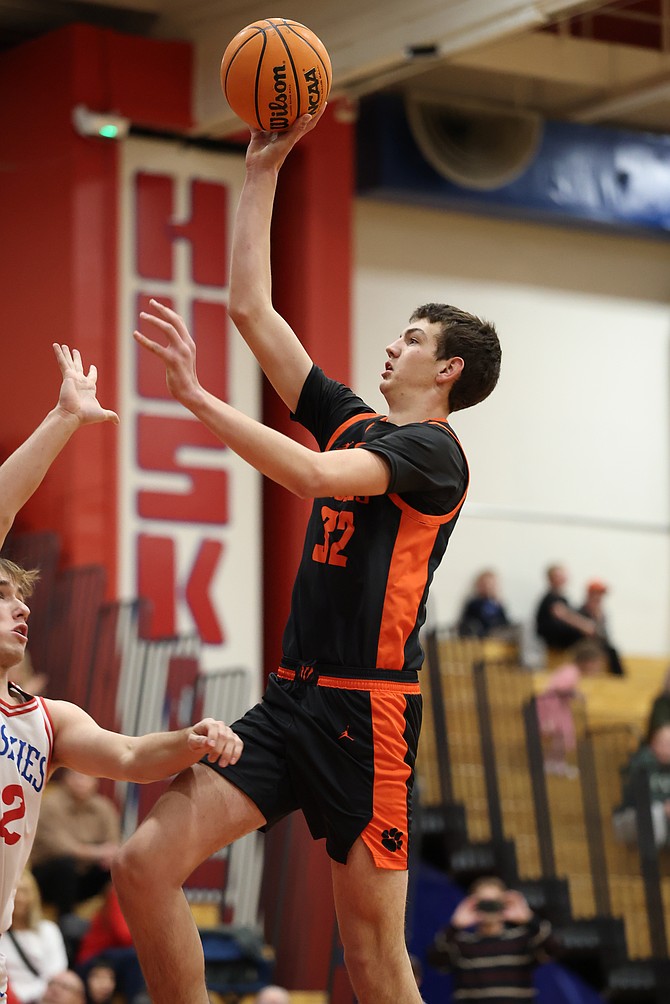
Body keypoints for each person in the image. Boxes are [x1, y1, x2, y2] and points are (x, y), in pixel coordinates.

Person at [112, 107, 501, 1004]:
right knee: (145, 863)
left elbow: (314, 478)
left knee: (371, 956)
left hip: (369, 719)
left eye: (412, 337)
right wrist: (261, 171)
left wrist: (200, 402)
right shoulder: (360, 420)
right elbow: (253, 310)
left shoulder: (434, 455)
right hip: (292, 702)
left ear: (447, 372)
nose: (392, 343)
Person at [0, 343, 244, 1003]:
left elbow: (134, 756)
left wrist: (191, 739)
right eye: (3, 597)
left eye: (23, 598)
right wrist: (64, 418)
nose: (21, 608)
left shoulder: (48, 720)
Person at [426, 876, 553, 1001]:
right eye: (484, 903)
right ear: (473, 904)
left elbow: (554, 949)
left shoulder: (522, 940)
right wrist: (455, 926)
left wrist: (529, 919)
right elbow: (435, 960)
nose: (490, 909)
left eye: (495, 903)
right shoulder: (461, 944)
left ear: (505, 904)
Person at [30, 771, 121, 918]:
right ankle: (66, 921)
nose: (82, 782)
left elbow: (114, 846)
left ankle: (114, 924)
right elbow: (64, 848)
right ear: (66, 779)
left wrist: (108, 856)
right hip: (49, 876)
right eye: (77, 777)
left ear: (96, 782)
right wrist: (99, 852)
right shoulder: (50, 804)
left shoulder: (104, 808)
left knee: (116, 868)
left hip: (84, 875)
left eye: (87, 778)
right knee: (65, 864)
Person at [536, 638, 605, 777]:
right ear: (588, 662)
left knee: (560, 737)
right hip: (553, 707)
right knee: (560, 736)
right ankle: (554, 763)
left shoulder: (572, 671)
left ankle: (555, 762)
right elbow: (559, 687)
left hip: (557, 706)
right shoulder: (571, 671)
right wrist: (576, 694)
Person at [1, 869, 68, 1004]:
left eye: (25, 891)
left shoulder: (48, 930)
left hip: (47, 998)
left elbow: (57, 972)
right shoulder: (1, 935)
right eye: (15, 892)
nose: (19, 898)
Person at [612, 723, 670, 848]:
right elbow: (638, 798)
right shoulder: (642, 764)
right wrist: (663, 807)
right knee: (654, 813)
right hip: (630, 818)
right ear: (653, 744)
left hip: (661, 822)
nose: (667, 748)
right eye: (663, 743)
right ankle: (650, 863)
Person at [535, 564, 596, 654]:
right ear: (550, 579)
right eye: (557, 576)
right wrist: (585, 626)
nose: (560, 579)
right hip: (552, 637)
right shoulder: (550, 597)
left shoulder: (562, 598)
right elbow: (564, 615)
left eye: (562, 575)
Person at [578, 579, 625, 676]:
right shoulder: (581, 612)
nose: (599, 598)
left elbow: (605, 635)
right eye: (597, 594)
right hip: (585, 645)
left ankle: (619, 677)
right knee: (611, 651)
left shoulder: (601, 613)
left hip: (599, 644)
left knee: (612, 650)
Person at [457, 569, 511, 639]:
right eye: (484, 584)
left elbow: (505, 623)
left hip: (496, 639)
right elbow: (466, 622)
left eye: (491, 585)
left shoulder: (498, 605)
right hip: (478, 639)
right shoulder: (473, 604)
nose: (488, 587)